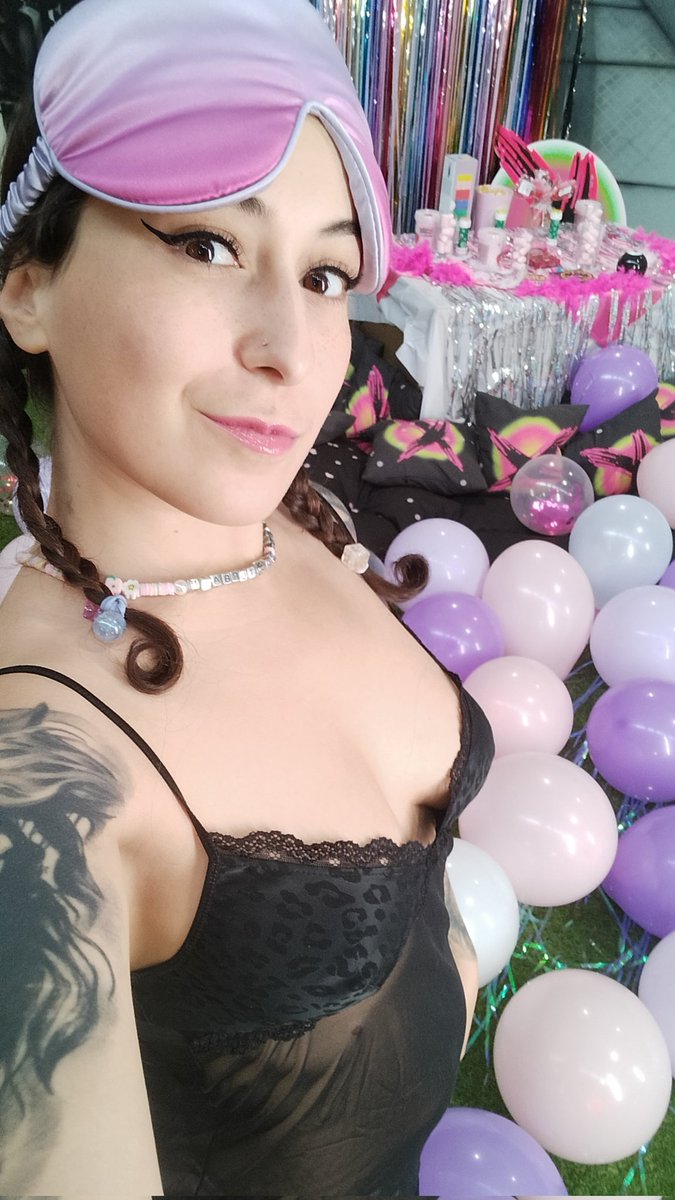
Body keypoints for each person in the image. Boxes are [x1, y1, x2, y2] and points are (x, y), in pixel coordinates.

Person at [0, 0, 494, 1193]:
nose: (292, 346)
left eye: (325, 273)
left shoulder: (299, 529)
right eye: (210, 246)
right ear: (29, 292)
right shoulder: (37, 787)